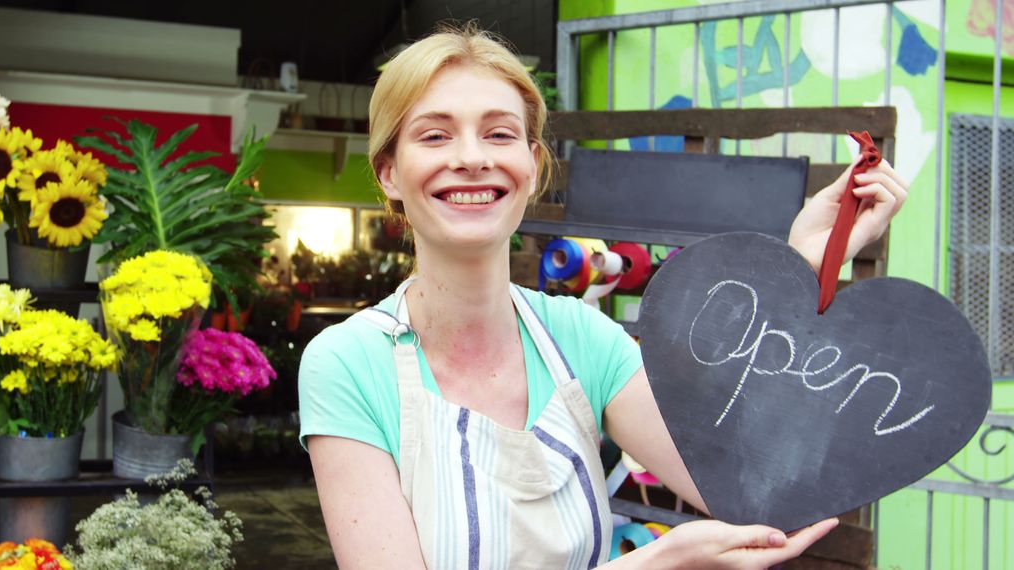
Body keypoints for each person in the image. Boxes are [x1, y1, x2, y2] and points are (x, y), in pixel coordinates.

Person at [299, 23, 908, 569]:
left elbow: (755, 486)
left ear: (532, 165)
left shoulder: (582, 339)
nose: (471, 157)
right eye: (434, 135)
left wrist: (805, 263)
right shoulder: (348, 365)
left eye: (499, 133)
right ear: (388, 172)